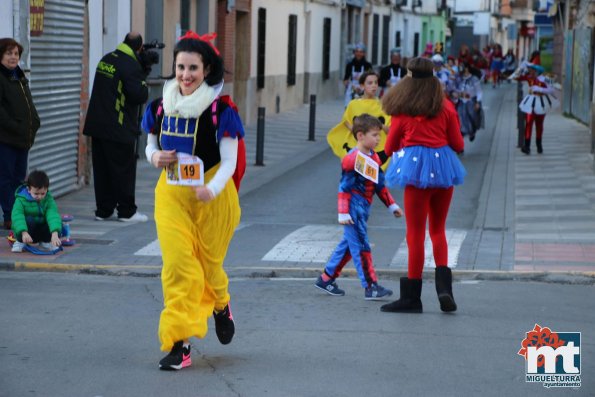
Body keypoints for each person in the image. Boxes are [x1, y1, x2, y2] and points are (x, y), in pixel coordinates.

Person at [141, 31, 244, 371]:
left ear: (207, 69)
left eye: (193, 68)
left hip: (212, 198)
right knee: (178, 268)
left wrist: (209, 190)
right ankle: (179, 344)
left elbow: (229, 162)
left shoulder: (220, 111)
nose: (185, 75)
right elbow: (149, 146)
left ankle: (221, 303)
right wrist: (155, 157)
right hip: (171, 195)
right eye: (181, 67)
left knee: (209, 266)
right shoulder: (160, 106)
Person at [379, 57, 466, 314]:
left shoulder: (402, 111)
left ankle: (412, 298)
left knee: (415, 233)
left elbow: (390, 147)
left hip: (415, 171)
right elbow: (459, 144)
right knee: (438, 229)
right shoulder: (446, 107)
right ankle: (444, 290)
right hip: (443, 169)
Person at [315, 114, 402, 300]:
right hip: (353, 208)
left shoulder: (375, 159)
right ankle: (370, 286)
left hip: (363, 209)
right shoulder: (351, 159)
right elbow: (344, 187)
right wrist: (343, 212)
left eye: (379, 135)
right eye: (374, 135)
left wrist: (391, 205)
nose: (378, 138)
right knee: (362, 246)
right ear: (360, 136)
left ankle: (326, 278)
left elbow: (379, 185)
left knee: (348, 246)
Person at [83, 32, 149, 222]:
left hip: (98, 125)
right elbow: (139, 95)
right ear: (139, 48)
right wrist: (143, 72)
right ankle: (127, 211)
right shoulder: (130, 65)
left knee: (102, 170)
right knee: (124, 170)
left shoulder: (107, 58)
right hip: (118, 127)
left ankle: (104, 211)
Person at [0, 38, 40, 230]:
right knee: (5, 179)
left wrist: (35, 121)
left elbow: (27, 104)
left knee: (18, 180)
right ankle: (9, 216)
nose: (13, 57)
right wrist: (15, 126)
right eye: (9, 53)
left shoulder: (19, 76)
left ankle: (17, 214)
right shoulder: (1, 77)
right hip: (6, 139)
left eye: (16, 54)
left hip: (21, 140)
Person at [327, 71, 391, 168]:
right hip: (356, 150)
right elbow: (346, 122)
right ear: (362, 86)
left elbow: (390, 130)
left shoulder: (384, 106)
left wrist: (378, 124)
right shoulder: (353, 104)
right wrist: (358, 130)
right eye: (370, 83)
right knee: (356, 179)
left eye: (376, 82)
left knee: (373, 181)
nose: (374, 86)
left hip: (377, 151)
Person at [10, 170, 62, 253]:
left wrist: (55, 234)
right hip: (26, 233)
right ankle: (20, 242)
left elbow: (53, 215)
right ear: (28, 189)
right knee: (29, 220)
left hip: (39, 232)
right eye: (36, 194)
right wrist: (23, 232)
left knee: (56, 224)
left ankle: (45, 242)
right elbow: (17, 217)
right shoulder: (20, 200)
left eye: (43, 193)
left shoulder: (48, 199)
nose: (40, 196)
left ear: (47, 190)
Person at [516, 63, 558, 154]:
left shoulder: (547, 77)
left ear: (537, 71)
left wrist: (539, 89)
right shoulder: (529, 77)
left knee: (539, 124)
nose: (530, 71)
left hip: (541, 102)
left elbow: (552, 90)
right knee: (528, 122)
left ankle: (539, 145)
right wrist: (521, 67)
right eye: (530, 70)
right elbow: (516, 77)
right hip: (531, 101)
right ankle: (527, 146)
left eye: (532, 70)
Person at [455, 62, 483, 142]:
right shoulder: (459, 79)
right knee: (461, 119)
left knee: (472, 118)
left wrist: (478, 102)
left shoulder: (474, 79)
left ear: (467, 68)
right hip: (461, 102)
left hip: (471, 102)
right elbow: (455, 88)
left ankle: (472, 131)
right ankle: (461, 140)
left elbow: (479, 91)